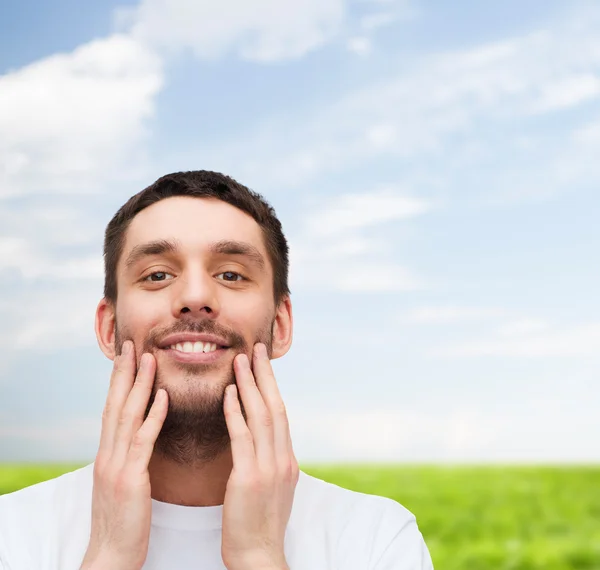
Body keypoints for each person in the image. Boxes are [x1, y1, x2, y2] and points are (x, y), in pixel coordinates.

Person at [0, 171, 434, 570]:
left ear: (280, 325)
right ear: (108, 326)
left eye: (230, 273)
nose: (194, 296)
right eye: (155, 275)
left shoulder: (376, 539)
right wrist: (109, 554)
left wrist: (259, 555)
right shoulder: (13, 533)